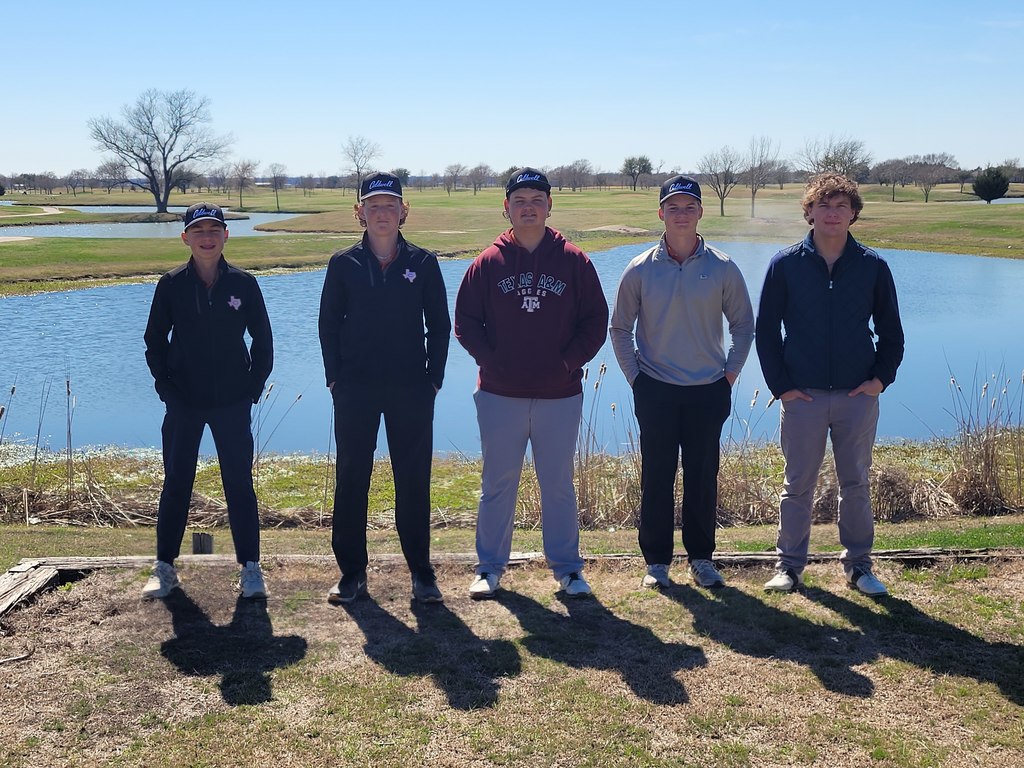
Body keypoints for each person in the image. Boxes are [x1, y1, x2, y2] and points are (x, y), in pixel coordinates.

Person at [454, 168, 608, 599]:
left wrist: (567, 362)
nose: (528, 207)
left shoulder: (574, 261)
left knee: (557, 482)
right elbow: (465, 322)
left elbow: (595, 320)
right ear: (506, 207)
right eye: (519, 200)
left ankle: (567, 569)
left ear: (549, 206)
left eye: (536, 199)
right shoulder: (487, 263)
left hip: (559, 394)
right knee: (497, 483)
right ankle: (489, 568)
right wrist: (494, 361)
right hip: (500, 394)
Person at [756, 172, 905, 596]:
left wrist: (879, 380)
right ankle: (789, 567)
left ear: (854, 214)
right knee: (797, 484)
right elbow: (766, 333)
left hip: (857, 396)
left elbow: (892, 333)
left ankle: (859, 566)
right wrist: (781, 387)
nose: (832, 213)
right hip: (801, 396)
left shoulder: (873, 266)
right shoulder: (785, 264)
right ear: (809, 212)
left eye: (841, 206)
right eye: (824, 205)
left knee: (855, 482)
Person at [609, 175, 754, 590]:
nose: (681, 214)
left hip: (709, 389)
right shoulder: (639, 269)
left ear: (700, 213)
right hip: (655, 387)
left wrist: (729, 375)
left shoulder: (723, 267)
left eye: (689, 207)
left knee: (702, 476)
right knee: (656, 476)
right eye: (673, 207)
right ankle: (656, 563)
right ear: (660, 213)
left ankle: (702, 559)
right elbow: (619, 329)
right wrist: (636, 379)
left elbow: (744, 326)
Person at [318, 171, 451, 605]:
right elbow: (328, 325)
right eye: (373, 206)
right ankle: (352, 572)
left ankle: (421, 572)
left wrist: (434, 378)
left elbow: (440, 326)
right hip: (355, 388)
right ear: (360, 213)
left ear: (403, 212)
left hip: (411, 387)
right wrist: (334, 377)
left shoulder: (424, 263)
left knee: (412, 479)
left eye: (390, 206)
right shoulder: (343, 263)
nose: (381, 213)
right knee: (352, 477)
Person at [142, 202, 274, 600]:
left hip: (232, 401)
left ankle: (251, 569)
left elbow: (264, 343)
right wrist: (167, 390)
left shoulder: (243, 284)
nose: (206, 237)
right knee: (177, 483)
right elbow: (154, 342)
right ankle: (164, 567)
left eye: (214, 229)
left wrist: (250, 390)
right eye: (198, 230)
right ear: (185, 237)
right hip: (184, 402)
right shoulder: (171, 284)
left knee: (238, 483)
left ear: (225, 236)